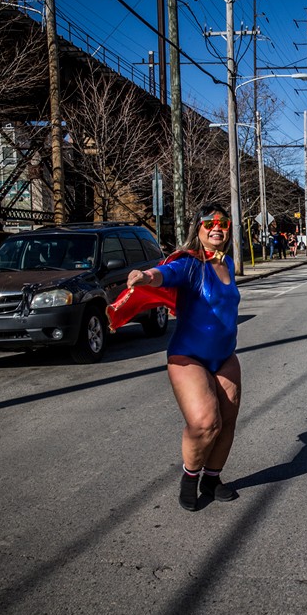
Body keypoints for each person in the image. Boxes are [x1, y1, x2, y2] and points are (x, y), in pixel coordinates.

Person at [124, 203, 242, 511]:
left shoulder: (227, 262)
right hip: (188, 356)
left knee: (226, 423)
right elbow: (166, 273)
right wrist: (146, 275)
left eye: (223, 223)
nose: (217, 228)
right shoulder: (191, 264)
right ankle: (190, 478)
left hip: (225, 356)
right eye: (209, 223)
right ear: (198, 228)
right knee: (205, 423)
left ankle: (212, 479)